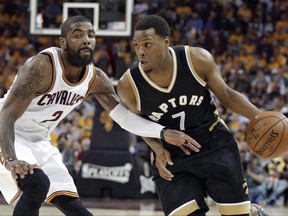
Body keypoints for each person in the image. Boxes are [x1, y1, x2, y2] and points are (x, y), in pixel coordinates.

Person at [0, 15, 201, 216]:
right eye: (77, 35)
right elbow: (6, 113)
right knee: (37, 185)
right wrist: (9, 158)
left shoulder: (95, 78)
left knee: (76, 209)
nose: (86, 39)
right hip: (7, 132)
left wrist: (162, 134)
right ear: (63, 42)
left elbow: (124, 118)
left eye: (91, 35)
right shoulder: (42, 67)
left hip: (40, 141)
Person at [116, 15, 269, 216]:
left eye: (147, 44)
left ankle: (251, 212)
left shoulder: (196, 60)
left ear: (166, 42)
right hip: (172, 155)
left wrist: (261, 117)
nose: (140, 52)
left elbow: (226, 94)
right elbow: (138, 124)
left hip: (214, 144)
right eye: (136, 45)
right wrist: (156, 148)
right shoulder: (129, 85)